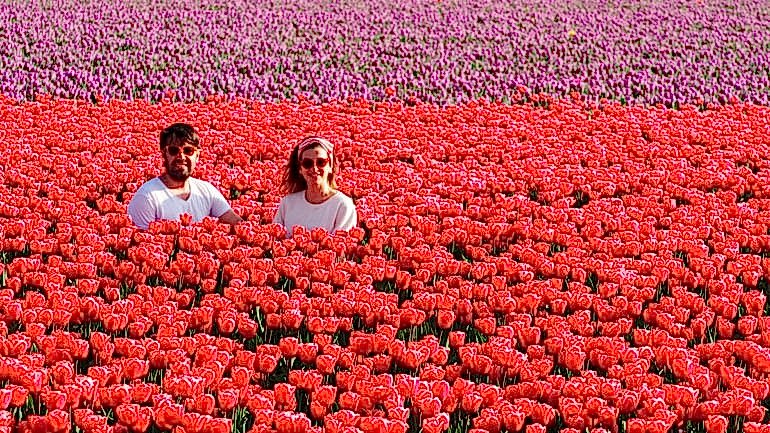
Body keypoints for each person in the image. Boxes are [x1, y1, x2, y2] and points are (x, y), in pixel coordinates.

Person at [127, 123, 243, 230]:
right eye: (173, 150)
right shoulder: (147, 197)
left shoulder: (207, 191)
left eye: (188, 150)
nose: (181, 157)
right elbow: (142, 243)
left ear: (197, 155)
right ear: (164, 154)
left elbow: (237, 224)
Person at [273, 136, 357, 237]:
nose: (314, 168)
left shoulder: (342, 205)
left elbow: (341, 243)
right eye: (307, 163)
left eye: (321, 162)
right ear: (300, 169)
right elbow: (274, 238)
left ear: (330, 166)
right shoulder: (288, 203)